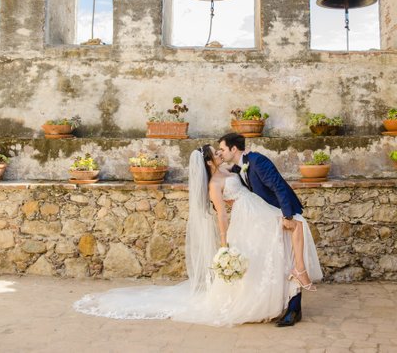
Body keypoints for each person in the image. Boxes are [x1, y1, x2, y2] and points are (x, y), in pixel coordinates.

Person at [74, 145, 322, 327]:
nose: (219, 153)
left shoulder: (229, 169)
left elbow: (245, 177)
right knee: (268, 254)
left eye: (221, 150)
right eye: (216, 152)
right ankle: (280, 300)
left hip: (258, 212)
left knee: (281, 245)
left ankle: (291, 298)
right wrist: (224, 244)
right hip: (246, 221)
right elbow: (221, 215)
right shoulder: (214, 184)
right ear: (209, 161)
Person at [218, 132, 322, 326]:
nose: (221, 153)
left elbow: (278, 186)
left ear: (233, 149)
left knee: (290, 256)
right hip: (266, 217)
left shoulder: (258, 161)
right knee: (281, 260)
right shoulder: (238, 167)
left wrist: (287, 216)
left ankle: (294, 309)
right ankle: (290, 305)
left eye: (222, 149)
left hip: (282, 213)